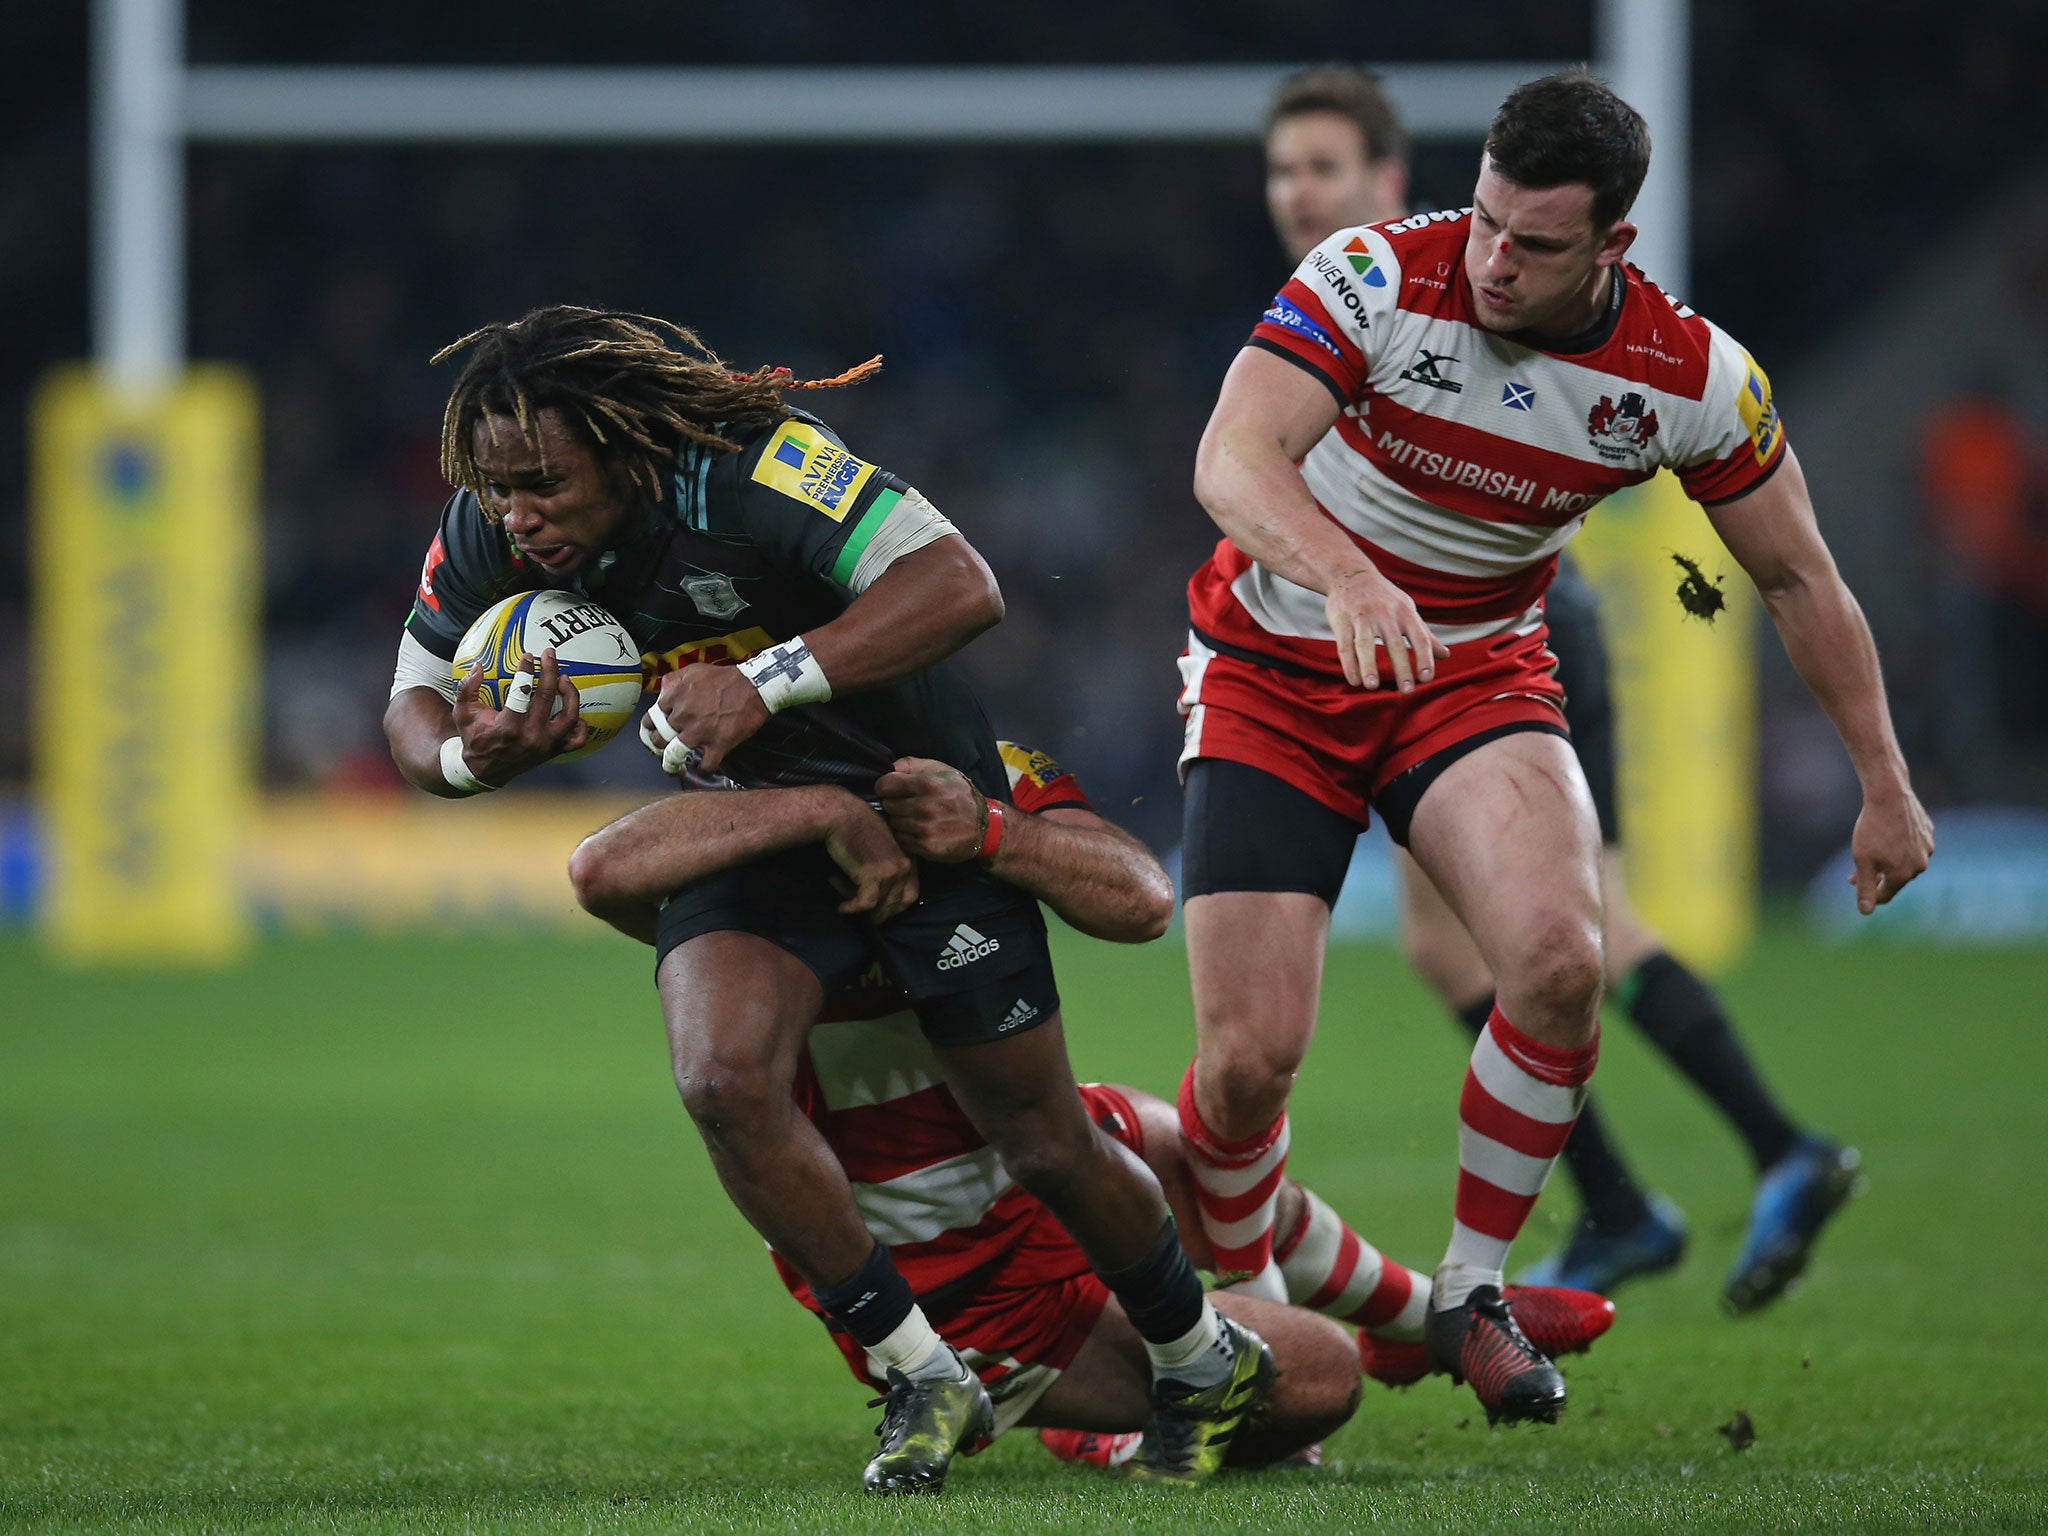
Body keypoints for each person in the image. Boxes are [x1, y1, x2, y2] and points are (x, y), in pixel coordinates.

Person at [383, 307, 1265, 1491]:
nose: (518, 515)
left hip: (918, 804)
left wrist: (762, 681)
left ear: (621, 450)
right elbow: (414, 702)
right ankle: (918, 1369)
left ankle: (1201, 1357)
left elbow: (960, 584)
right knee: (719, 1079)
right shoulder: (495, 524)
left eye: (543, 483)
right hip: (754, 828)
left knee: (1045, 1144)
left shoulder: (754, 471)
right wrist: (464, 761)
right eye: (498, 491)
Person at [1177, 69, 1933, 1425]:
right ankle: (1241, 1313)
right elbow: (1232, 461)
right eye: (1482, 221)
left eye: (1531, 246)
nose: (1490, 261)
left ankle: (1473, 1294)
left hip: (1473, 676)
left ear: (1613, 249)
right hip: (1276, 669)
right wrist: (1348, 578)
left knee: (1563, 961)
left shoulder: (1690, 378)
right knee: (1247, 1060)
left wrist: (1884, 780)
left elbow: (1801, 580)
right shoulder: (1373, 277)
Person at [567, 738, 1615, 1472]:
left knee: (1191, 1146)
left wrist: (988, 830)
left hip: (1042, 1149)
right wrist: (827, 813)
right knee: (1313, 1380)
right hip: (952, 1275)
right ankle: (1093, 1423)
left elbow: (1136, 897)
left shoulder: (969, 760)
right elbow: (604, 868)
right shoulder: (742, 816)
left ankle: (1424, 1321)